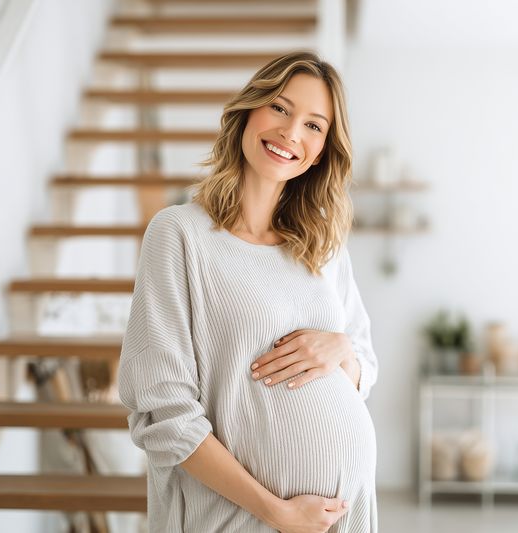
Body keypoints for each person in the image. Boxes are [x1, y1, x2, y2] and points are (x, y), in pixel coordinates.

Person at [117, 51, 378, 533]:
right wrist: (277, 512)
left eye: (314, 126)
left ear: (320, 152)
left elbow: (364, 363)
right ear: (249, 110)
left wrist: (340, 349)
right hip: (237, 519)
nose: (291, 133)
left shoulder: (322, 246)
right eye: (280, 107)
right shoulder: (179, 236)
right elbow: (165, 413)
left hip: (344, 517)